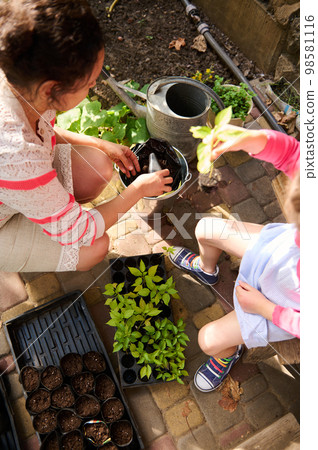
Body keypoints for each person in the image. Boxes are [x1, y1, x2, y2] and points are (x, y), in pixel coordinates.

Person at [0, 0, 173, 272]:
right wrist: (139, 189)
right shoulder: (15, 154)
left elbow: (43, 129)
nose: (95, 85)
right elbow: (82, 231)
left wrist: (100, 143)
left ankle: (44, 210)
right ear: (50, 89)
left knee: (99, 165)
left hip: (15, 187)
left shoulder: (19, 81)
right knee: (94, 247)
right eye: (89, 81)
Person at [169, 125, 300, 392]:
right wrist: (248, 138)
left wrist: (263, 308)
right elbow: (293, 154)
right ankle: (207, 270)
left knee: (208, 340)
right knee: (205, 229)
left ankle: (227, 353)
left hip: (284, 303)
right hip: (280, 255)